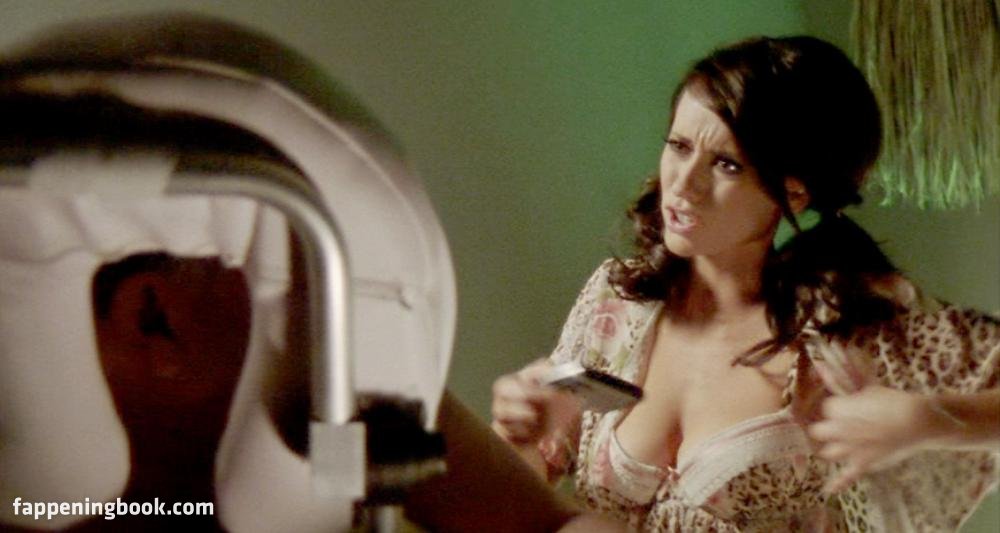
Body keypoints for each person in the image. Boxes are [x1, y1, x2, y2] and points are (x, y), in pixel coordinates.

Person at [491, 35, 1000, 532]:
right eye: (679, 146)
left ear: (794, 193)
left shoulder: (846, 327)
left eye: (726, 164)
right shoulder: (618, 300)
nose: (683, 184)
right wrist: (520, 433)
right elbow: (523, 489)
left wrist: (927, 419)